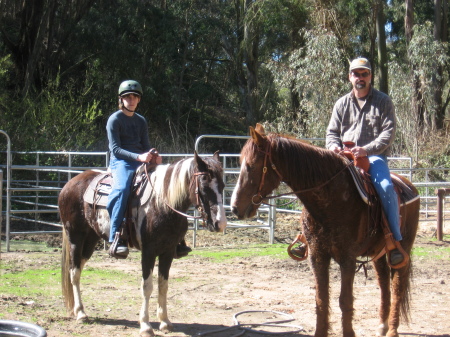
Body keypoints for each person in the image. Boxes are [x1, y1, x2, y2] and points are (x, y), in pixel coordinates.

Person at [325, 57, 404, 266]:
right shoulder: (341, 103)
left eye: (364, 74)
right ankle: (310, 238)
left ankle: (394, 241)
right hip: (343, 158)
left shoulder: (383, 101)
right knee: (319, 183)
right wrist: (333, 146)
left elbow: (388, 133)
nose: (360, 78)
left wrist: (365, 150)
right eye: (356, 74)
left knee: (386, 188)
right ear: (350, 76)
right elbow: (332, 132)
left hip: (373, 157)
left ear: (370, 76)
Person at [106, 80, 191, 259]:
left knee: (166, 186)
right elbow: (115, 149)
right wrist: (139, 157)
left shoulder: (141, 121)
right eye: (127, 97)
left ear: (139, 100)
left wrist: (154, 156)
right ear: (121, 100)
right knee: (122, 189)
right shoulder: (114, 120)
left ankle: (175, 238)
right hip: (121, 162)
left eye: (135, 97)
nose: (131, 100)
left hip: (142, 161)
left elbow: (145, 145)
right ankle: (115, 236)